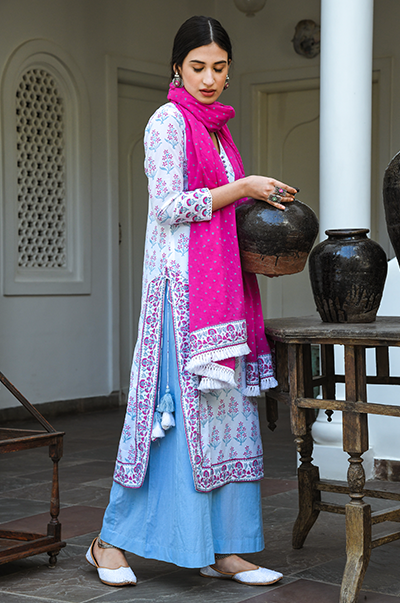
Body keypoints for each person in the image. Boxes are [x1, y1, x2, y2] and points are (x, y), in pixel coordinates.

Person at [86, 15, 297, 588]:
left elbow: (222, 211)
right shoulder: (167, 121)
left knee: (228, 423)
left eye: (219, 67)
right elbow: (168, 206)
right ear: (177, 68)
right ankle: (108, 543)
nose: (208, 78)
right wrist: (244, 187)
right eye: (197, 66)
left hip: (221, 298)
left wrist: (256, 201)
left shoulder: (219, 133)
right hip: (180, 297)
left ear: (230, 71)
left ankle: (226, 549)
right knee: (171, 425)